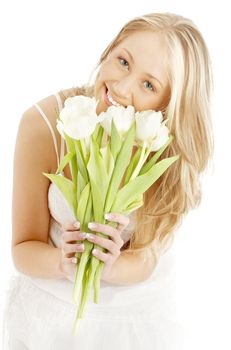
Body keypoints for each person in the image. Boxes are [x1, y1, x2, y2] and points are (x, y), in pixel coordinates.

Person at [2, 12, 214, 349]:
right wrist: (61, 262)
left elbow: (146, 259)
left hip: (130, 309)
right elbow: (22, 249)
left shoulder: (157, 146)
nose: (122, 87)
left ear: (168, 106)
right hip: (52, 304)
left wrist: (109, 265)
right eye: (123, 61)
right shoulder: (45, 124)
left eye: (149, 85)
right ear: (108, 50)